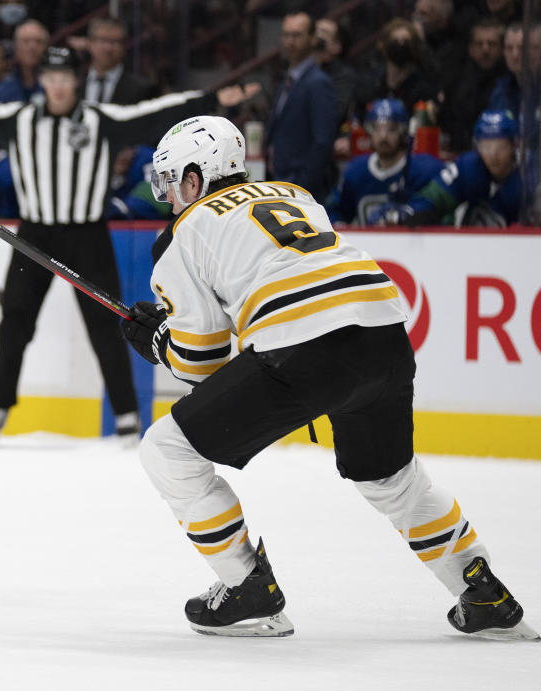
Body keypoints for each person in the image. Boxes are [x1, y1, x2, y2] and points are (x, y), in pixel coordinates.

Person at [119, 114, 537, 640]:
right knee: (390, 477)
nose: (169, 197)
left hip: (303, 347)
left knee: (167, 449)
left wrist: (157, 341)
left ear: (196, 179)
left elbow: (200, 362)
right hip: (384, 333)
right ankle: (484, 592)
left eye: (172, 181)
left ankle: (247, 587)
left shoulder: (184, 233)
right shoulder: (294, 193)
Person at [0, 46, 228, 445]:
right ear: (42, 80)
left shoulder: (102, 120)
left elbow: (153, 112)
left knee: (109, 324)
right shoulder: (21, 120)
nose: (59, 87)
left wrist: (210, 99)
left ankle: (127, 415)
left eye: (65, 79)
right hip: (36, 234)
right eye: (51, 78)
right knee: (15, 321)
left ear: (75, 82)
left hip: (87, 234)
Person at [371, 109, 521, 227]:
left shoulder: (527, 175)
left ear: (515, 145)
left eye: (501, 146)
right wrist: (411, 211)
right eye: (487, 146)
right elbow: (434, 197)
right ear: (477, 146)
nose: (493, 154)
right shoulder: (468, 168)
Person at [326, 98, 443, 225]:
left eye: (391, 129)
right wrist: (337, 224)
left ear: (403, 132)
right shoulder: (355, 171)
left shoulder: (426, 170)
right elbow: (333, 211)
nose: (383, 136)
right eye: (376, 128)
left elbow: (442, 211)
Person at [265, 11, 337, 202]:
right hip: (281, 182)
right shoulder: (286, 82)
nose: (290, 41)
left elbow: (323, 141)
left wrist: (302, 185)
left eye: (297, 35)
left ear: (312, 39)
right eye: (286, 35)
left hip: (302, 188)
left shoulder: (318, 82)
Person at [439, 18, 505, 155]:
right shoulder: (456, 83)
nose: (485, 49)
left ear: (502, 49)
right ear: (470, 49)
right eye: (479, 44)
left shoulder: (509, 84)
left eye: (491, 44)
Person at [80, 17, 158, 105]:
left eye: (114, 41)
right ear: (90, 43)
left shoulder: (142, 89)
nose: (108, 48)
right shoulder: (74, 85)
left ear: (124, 46)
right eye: (102, 40)